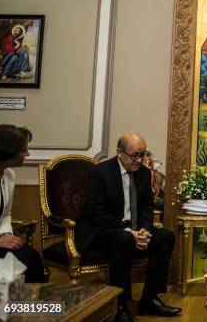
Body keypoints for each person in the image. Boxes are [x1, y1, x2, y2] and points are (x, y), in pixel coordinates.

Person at [75, 133, 181, 322]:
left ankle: (149, 299)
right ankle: (120, 304)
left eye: (143, 154)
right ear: (119, 153)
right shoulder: (100, 173)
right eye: (135, 155)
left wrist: (145, 231)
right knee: (124, 239)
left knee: (166, 236)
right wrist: (129, 232)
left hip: (132, 231)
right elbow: (97, 212)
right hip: (100, 232)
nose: (140, 160)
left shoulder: (144, 173)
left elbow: (148, 207)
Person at [0, 124, 45, 283]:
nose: (28, 153)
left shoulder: (8, 175)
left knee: (31, 256)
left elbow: (6, 214)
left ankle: (33, 305)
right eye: (24, 150)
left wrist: (5, 234)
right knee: (12, 263)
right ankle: (6, 306)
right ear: (7, 151)